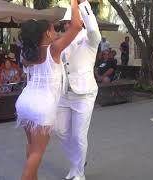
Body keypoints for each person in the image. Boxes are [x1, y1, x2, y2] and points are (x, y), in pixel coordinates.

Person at [15, 0, 82, 179]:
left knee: (31, 149)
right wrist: (74, 3)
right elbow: (76, 25)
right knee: (37, 153)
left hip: (25, 102)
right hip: (41, 106)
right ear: (46, 32)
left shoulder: (27, 52)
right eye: (53, 29)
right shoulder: (53, 49)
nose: (56, 32)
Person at [54, 1, 102, 180]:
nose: (66, 25)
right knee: (60, 130)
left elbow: (94, 31)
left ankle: (78, 173)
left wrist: (82, 6)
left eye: (69, 22)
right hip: (64, 93)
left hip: (84, 94)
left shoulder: (89, 38)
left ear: (79, 21)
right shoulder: (63, 40)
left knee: (78, 136)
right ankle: (78, 163)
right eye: (65, 23)